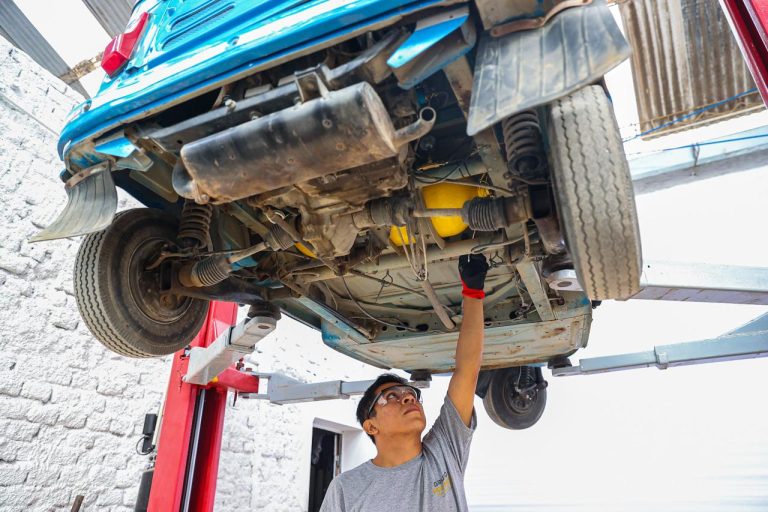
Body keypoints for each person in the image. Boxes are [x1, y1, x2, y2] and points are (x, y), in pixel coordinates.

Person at [319, 254, 489, 512]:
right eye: (391, 396)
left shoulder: (444, 451)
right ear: (371, 426)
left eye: (410, 393)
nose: (408, 398)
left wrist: (473, 290)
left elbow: (467, 371)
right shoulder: (345, 489)